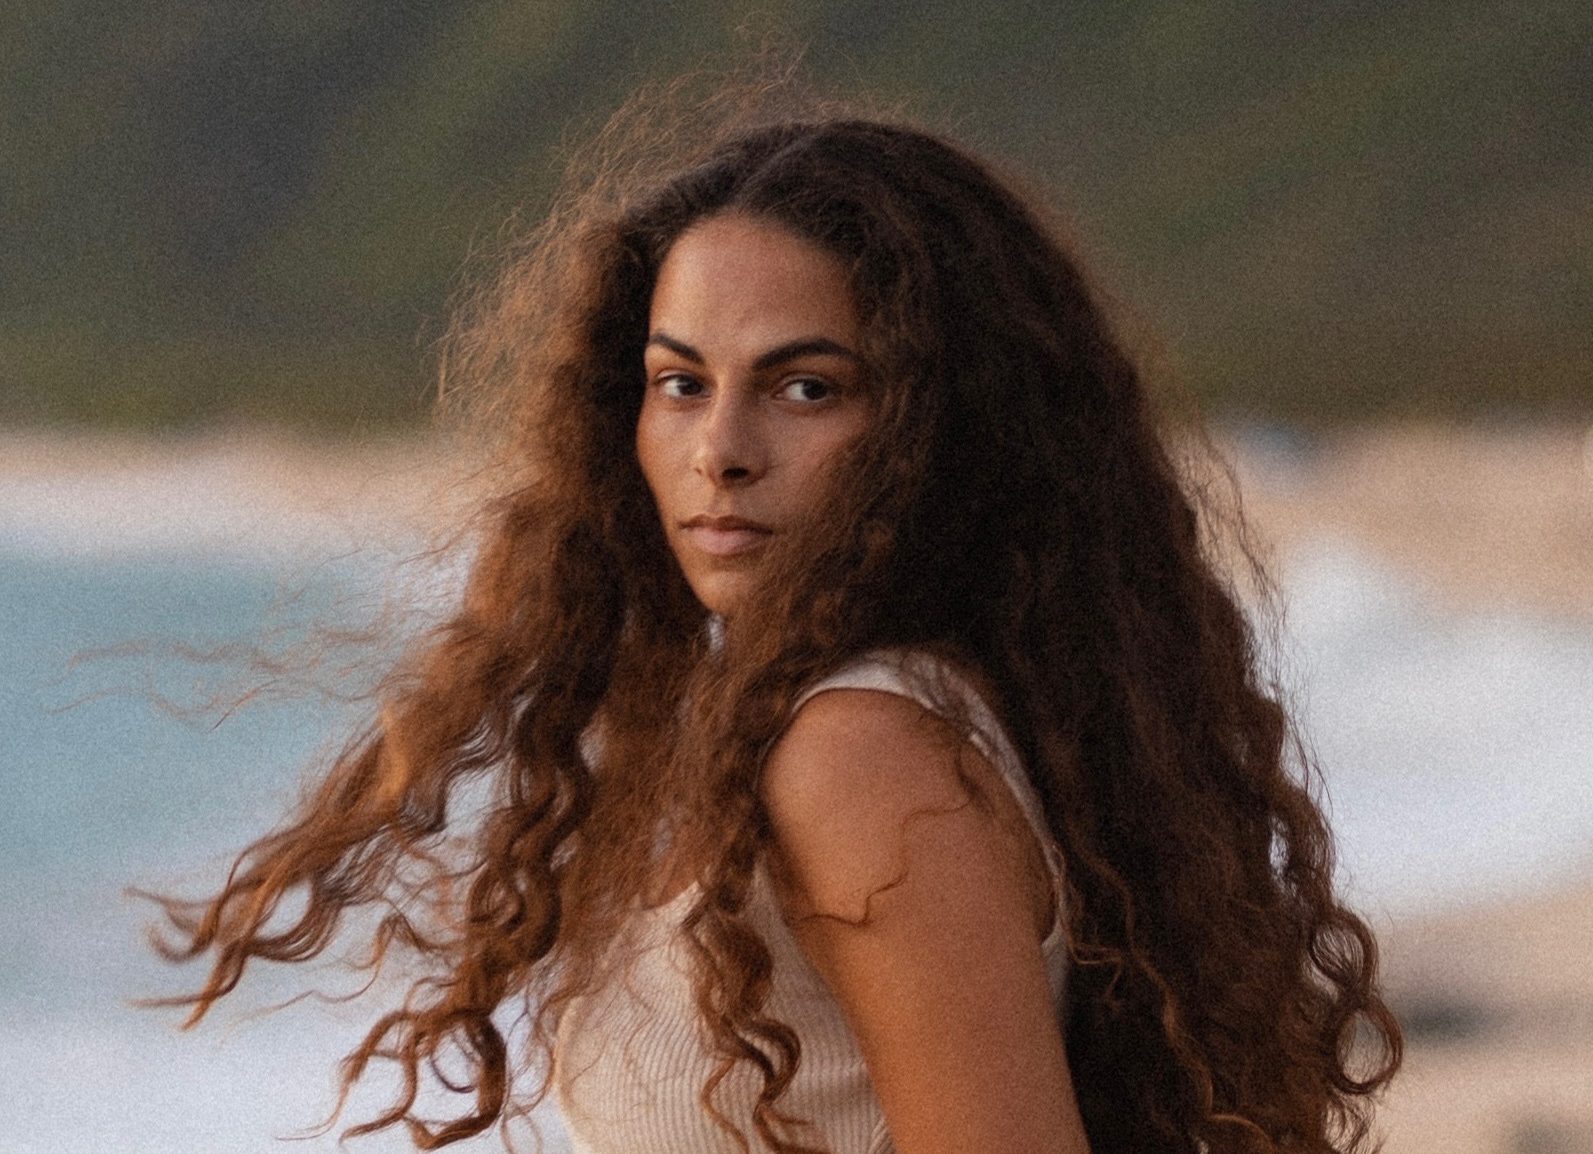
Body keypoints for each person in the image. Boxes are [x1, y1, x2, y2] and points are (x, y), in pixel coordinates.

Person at [150, 82, 1401, 1154]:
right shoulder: (876, 713)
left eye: (807, 387)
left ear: (937, 425)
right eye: (679, 384)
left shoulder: (857, 746)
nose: (722, 452)